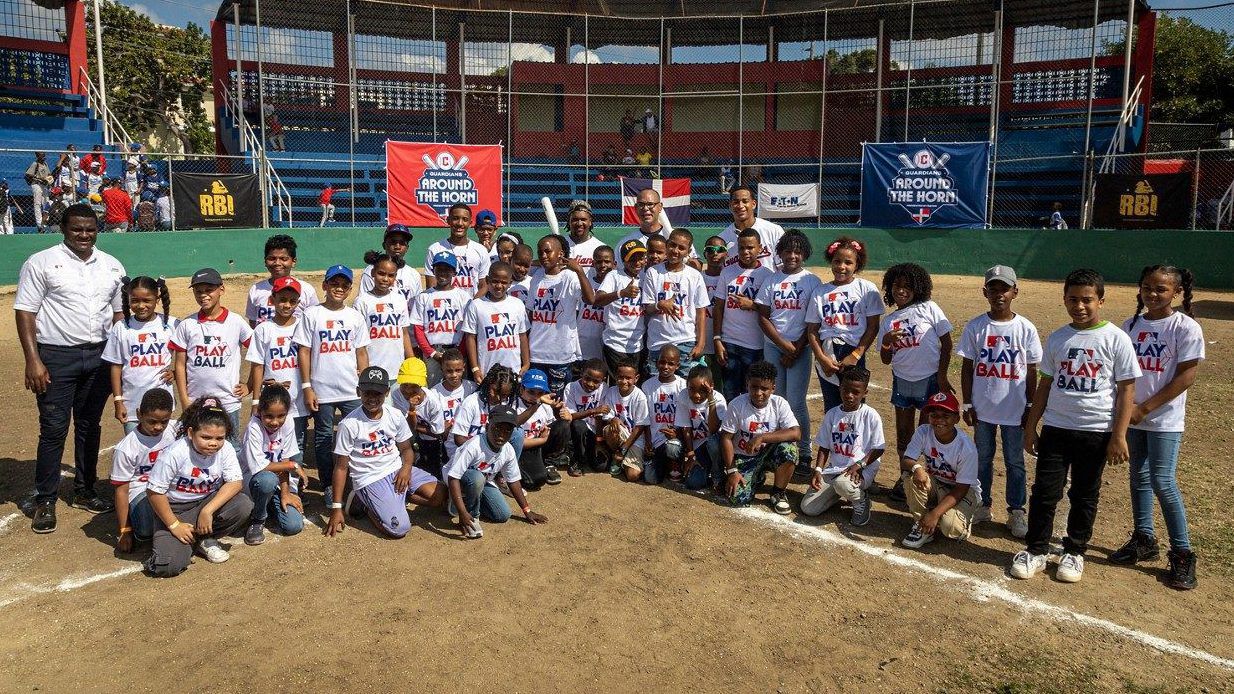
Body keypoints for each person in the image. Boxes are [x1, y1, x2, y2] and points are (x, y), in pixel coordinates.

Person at [1011, 269, 1140, 584]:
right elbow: (1044, 387)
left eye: (1087, 300)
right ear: (1064, 299)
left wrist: (1119, 435)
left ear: (1101, 301)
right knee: (1045, 492)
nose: (1079, 306)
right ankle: (1037, 549)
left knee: (1084, 493)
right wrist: (1031, 427)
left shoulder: (1116, 339)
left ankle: (1074, 551)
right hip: (1056, 428)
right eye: (1073, 299)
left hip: (1096, 432)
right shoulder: (1058, 337)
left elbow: (1126, 390)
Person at [16, 203, 127, 531]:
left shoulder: (111, 266)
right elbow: (25, 311)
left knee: (90, 425)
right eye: (77, 229)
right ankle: (46, 499)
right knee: (53, 427)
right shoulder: (42, 262)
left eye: (90, 229)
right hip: (56, 357)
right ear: (63, 229)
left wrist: (123, 355)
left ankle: (85, 489)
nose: (84, 235)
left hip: (100, 356)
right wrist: (33, 359)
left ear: (97, 230)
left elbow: (120, 315)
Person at [1111, 265, 1203, 590]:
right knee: (1138, 479)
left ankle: (1182, 553)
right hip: (1133, 418)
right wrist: (1125, 413)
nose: (1153, 294)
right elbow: (1122, 375)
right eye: (1147, 287)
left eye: (1161, 289)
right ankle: (1144, 538)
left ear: (1176, 292)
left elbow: (1186, 375)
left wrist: (1145, 408)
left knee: (1163, 482)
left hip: (1163, 420)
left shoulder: (1185, 327)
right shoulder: (1130, 325)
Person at [957, 265, 1041, 538]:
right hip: (983, 409)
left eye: (1004, 288)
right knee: (982, 459)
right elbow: (968, 366)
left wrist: (1030, 406)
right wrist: (967, 403)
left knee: (1015, 461)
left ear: (1015, 291)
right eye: (993, 288)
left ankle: (1017, 510)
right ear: (985, 292)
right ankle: (983, 505)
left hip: (1014, 410)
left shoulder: (1025, 328)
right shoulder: (976, 326)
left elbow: (1031, 370)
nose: (998, 294)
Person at [324, 366, 446, 540]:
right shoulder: (348, 424)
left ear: (387, 392)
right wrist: (336, 507)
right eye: (367, 393)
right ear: (359, 392)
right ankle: (364, 502)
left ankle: (393, 500)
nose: (372, 399)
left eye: (378, 394)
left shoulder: (395, 415)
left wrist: (406, 468)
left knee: (439, 495)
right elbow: (341, 467)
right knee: (399, 528)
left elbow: (406, 449)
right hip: (370, 477)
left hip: (396, 470)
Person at [144, 397, 254, 576]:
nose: (213, 443)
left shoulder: (225, 449)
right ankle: (188, 541)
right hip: (175, 510)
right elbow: (154, 492)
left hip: (204, 502)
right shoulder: (175, 453)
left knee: (243, 505)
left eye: (219, 438)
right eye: (206, 437)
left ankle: (203, 538)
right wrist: (174, 526)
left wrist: (207, 511)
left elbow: (235, 482)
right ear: (190, 433)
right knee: (167, 566)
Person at [295, 264, 370, 507]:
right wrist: (307, 386)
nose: (339, 289)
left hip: (351, 389)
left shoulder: (354, 317)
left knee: (358, 434)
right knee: (324, 438)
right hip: (322, 389)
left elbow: (361, 353)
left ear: (350, 289)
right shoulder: (312, 314)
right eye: (334, 284)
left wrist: (365, 383)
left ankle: (359, 483)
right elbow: (304, 351)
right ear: (325, 286)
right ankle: (329, 484)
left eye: (344, 285)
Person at [877, 262, 953, 501]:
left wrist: (941, 375)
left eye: (907, 286)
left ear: (918, 288)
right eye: (896, 286)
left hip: (928, 378)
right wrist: (887, 340)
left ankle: (930, 478)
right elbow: (885, 359)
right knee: (903, 431)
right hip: (902, 379)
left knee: (926, 430)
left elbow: (947, 343)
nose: (901, 291)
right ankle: (905, 476)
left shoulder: (929, 308)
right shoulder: (889, 321)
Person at [756, 230, 821, 470]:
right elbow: (763, 316)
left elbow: (814, 320)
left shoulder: (811, 281)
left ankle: (804, 452)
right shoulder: (772, 279)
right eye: (787, 251)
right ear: (780, 253)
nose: (792, 256)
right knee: (776, 400)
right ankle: (779, 449)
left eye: (797, 251)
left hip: (801, 349)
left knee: (796, 401)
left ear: (804, 253)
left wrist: (796, 348)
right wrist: (784, 346)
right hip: (774, 347)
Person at [170, 268, 253, 442]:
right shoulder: (187, 324)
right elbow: (179, 364)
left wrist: (250, 385)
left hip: (228, 401)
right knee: (194, 446)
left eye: (209, 290)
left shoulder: (236, 322)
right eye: (198, 291)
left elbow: (258, 352)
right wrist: (185, 400)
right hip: (195, 402)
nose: (203, 295)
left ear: (221, 289)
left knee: (231, 446)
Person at [444, 405, 547, 539]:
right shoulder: (473, 445)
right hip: (456, 478)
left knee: (502, 515)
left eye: (507, 430)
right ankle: (470, 515)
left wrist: (527, 510)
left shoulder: (508, 450)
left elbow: (513, 481)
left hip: (482, 481)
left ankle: (466, 499)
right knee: (476, 478)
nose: (501, 434)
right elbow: (453, 477)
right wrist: (463, 512)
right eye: (497, 428)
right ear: (487, 427)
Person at [806, 236, 883, 413]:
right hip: (827, 352)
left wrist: (856, 354)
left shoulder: (866, 289)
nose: (841, 266)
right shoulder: (820, 292)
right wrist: (821, 358)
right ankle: (833, 439)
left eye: (848, 262)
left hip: (853, 351)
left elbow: (873, 327)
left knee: (855, 404)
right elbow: (812, 330)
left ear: (857, 264)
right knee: (832, 404)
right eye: (837, 261)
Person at [801, 364, 884, 525]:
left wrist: (860, 464)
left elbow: (879, 448)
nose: (849, 395)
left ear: (864, 393)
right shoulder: (832, 414)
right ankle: (839, 493)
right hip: (835, 469)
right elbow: (824, 446)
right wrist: (818, 470)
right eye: (846, 390)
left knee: (842, 483)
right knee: (808, 508)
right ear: (840, 388)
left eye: (856, 392)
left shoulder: (870, 415)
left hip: (861, 468)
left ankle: (861, 500)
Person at [899, 392, 982, 549]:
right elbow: (907, 459)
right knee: (911, 478)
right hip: (937, 484)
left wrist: (935, 514)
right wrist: (917, 468)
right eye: (934, 415)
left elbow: (961, 489)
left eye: (946, 415)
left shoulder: (966, 448)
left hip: (962, 491)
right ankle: (922, 525)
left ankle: (962, 517)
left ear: (957, 418)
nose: (939, 420)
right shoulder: (924, 431)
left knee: (952, 528)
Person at [719, 360, 800, 514]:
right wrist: (732, 471)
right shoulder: (737, 405)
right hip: (744, 457)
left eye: (764, 388)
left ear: (773, 388)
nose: (758, 393)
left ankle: (778, 492)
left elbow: (796, 433)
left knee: (789, 450)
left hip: (768, 453)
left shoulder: (779, 404)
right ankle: (756, 476)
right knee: (738, 499)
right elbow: (726, 438)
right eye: (754, 387)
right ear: (747, 384)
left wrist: (762, 437)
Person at [245, 276, 308, 469]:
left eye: (292, 301)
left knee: (296, 446)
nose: (287, 305)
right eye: (282, 299)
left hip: (297, 399)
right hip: (271, 401)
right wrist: (256, 401)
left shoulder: (304, 325)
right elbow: (257, 365)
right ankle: (274, 491)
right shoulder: (263, 329)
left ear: (298, 302)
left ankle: (296, 492)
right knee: (271, 445)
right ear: (272, 300)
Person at [103, 276, 177, 434]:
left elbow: (189, 352)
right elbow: (116, 366)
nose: (141, 306)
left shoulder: (171, 324)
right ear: (128, 299)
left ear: (157, 299)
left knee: (163, 452)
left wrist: (175, 373)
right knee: (136, 451)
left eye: (147, 300)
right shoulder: (121, 328)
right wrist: (118, 401)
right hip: (132, 405)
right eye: (135, 300)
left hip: (163, 406)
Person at [526, 234, 596, 397]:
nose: (543, 255)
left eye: (547, 251)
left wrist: (579, 270)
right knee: (537, 401)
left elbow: (591, 299)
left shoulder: (570, 277)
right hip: (536, 354)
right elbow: (531, 312)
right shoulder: (536, 277)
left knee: (558, 403)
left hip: (561, 356)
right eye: (540, 252)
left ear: (561, 254)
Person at [110, 389, 177, 553]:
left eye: (164, 421)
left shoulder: (176, 430)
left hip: (171, 486)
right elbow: (121, 491)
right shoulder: (126, 449)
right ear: (139, 415)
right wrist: (125, 531)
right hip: (143, 493)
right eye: (152, 421)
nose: (158, 427)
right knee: (145, 530)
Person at [240, 384, 307, 545]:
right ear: (259, 412)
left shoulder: (288, 422)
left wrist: (286, 493)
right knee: (266, 480)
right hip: (252, 483)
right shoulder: (254, 428)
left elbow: (284, 460)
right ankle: (258, 519)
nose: (275, 422)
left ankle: (269, 503)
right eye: (269, 416)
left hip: (276, 482)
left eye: (280, 416)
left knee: (293, 525)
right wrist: (293, 466)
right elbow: (260, 467)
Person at [713, 229, 774, 402]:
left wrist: (753, 305)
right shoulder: (727, 272)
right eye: (742, 248)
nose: (745, 252)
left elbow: (771, 312)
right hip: (729, 343)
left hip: (755, 345)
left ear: (760, 248)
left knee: (753, 393)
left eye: (750, 247)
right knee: (730, 393)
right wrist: (717, 339)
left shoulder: (767, 275)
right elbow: (718, 307)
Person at [641, 229, 709, 377]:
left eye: (681, 248)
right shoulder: (653, 273)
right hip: (658, 342)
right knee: (658, 387)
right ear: (666, 245)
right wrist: (660, 305)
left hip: (685, 341)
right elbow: (647, 308)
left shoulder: (695, 276)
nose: (675, 251)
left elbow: (701, 311)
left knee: (686, 387)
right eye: (672, 245)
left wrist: (701, 342)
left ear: (688, 251)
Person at [460, 261, 529, 380]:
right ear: (487, 280)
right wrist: (475, 368)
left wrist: (526, 363)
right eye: (495, 281)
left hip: (514, 370)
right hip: (487, 371)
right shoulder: (476, 305)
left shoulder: (517, 304)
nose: (499, 286)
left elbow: (522, 336)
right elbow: (470, 338)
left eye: (503, 282)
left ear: (510, 283)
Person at [409, 251, 470, 386]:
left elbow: (468, 330)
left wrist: (460, 353)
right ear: (433, 270)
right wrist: (431, 353)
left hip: (457, 351)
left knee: (458, 389)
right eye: (439, 269)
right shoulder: (424, 296)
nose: (443, 273)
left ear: (454, 272)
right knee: (434, 389)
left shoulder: (463, 297)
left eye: (447, 269)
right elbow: (418, 329)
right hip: (433, 353)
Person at [353, 251, 413, 379]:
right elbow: (357, 340)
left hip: (398, 370)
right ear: (373, 273)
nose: (386, 279)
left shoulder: (399, 299)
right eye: (381, 273)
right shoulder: (362, 301)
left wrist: (411, 362)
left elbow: (404, 334)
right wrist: (361, 368)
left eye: (391, 275)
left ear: (395, 277)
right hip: (372, 369)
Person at [594, 240, 649, 378]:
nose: (637, 263)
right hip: (615, 343)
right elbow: (598, 300)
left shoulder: (646, 277)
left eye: (640, 258)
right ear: (624, 260)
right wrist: (621, 293)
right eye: (632, 259)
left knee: (633, 384)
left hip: (637, 344)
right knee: (618, 384)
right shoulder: (614, 276)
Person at [389, 356, 447, 479]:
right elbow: (405, 427)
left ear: (421, 384)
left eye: (414, 385)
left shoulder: (433, 402)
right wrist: (412, 410)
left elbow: (438, 433)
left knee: (432, 471)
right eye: (405, 385)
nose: (408, 390)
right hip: (408, 436)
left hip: (431, 440)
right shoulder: (396, 394)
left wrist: (413, 419)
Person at [245, 234, 320, 327]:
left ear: (293, 261)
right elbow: (253, 322)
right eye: (272, 258)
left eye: (283, 259)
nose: (277, 263)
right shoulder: (256, 289)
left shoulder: (307, 290)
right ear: (265, 261)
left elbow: (315, 320)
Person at [673, 365, 727, 491]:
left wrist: (710, 399)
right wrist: (691, 454)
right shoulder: (683, 395)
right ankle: (682, 468)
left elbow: (714, 430)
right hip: (696, 447)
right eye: (692, 389)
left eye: (702, 390)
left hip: (713, 445)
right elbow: (685, 426)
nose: (697, 395)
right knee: (693, 484)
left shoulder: (718, 399)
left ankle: (717, 475)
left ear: (711, 386)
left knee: (713, 443)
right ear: (687, 385)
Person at [515, 369, 570, 489]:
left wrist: (564, 416)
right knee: (535, 481)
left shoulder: (545, 405)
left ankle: (549, 463)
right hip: (522, 450)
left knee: (563, 424)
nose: (535, 397)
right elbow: (516, 443)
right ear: (521, 389)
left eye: (540, 393)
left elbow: (553, 429)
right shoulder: (513, 405)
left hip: (539, 445)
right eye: (531, 392)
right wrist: (542, 440)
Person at [617, 189, 699, 265]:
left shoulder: (678, 239)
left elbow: (696, 265)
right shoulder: (626, 243)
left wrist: (689, 261)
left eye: (650, 204)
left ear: (660, 207)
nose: (645, 208)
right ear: (635, 208)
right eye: (641, 204)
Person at [599, 359, 650, 481]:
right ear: (616, 377)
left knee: (633, 476)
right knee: (612, 428)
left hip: (634, 438)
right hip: (619, 434)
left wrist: (624, 449)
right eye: (621, 377)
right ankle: (615, 456)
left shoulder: (639, 397)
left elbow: (640, 426)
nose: (624, 381)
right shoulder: (611, 392)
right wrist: (613, 419)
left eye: (628, 378)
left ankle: (621, 456)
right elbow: (606, 415)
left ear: (636, 378)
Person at [424, 203, 490, 297]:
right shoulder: (435, 249)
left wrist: (472, 305)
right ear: (448, 220)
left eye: (465, 219)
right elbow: (431, 285)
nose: (460, 223)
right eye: (455, 218)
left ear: (470, 223)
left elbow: (484, 285)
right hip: (444, 308)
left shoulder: (481, 250)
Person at [642, 346, 686, 484]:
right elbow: (645, 418)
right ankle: (663, 463)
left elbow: (687, 418)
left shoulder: (683, 386)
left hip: (675, 440)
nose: (665, 366)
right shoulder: (647, 386)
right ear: (656, 362)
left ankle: (676, 462)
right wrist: (648, 441)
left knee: (672, 447)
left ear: (677, 365)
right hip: (655, 440)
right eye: (662, 362)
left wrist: (677, 433)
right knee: (651, 479)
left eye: (671, 363)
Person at [562, 359, 609, 476]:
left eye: (596, 381)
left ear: (602, 380)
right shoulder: (571, 387)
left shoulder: (604, 388)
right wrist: (593, 410)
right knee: (579, 425)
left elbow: (600, 417)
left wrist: (599, 441)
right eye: (587, 378)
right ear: (582, 373)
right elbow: (570, 416)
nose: (590, 384)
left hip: (594, 431)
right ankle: (577, 459)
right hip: (576, 431)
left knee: (601, 467)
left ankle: (588, 454)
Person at [719, 186, 783, 271]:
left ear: (753, 204)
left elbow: (783, 268)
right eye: (736, 202)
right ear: (730, 206)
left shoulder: (774, 231)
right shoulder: (722, 239)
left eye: (745, 201)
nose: (740, 206)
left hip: (768, 283)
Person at [578, 245, 615, 365]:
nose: (603, 265)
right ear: (593, 264)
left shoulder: (618, 284)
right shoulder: (585, 283)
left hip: (606, 343)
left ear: (614, 264)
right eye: (599, 262)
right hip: (583, 342)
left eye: (607, 261)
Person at [700, 235, 726, 386]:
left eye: (720, 250)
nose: (715, 253)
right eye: (710, 250)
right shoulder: (697, 278)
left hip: (723, 343)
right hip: (702, 344)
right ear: (705, 254)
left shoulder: (729, 277)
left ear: (726, 253)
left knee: (721, 388)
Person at [565, 201, 604, 270]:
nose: (579, 223)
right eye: (575, 219)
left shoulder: (600, 248)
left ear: (590, 222)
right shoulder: (558, 246)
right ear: (569, 221)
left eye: (583, 219)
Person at [24, 151, 52, 233]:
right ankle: (39, 224)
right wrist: (40, 179)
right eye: (42, 156)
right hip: (37, 185)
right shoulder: (35, 164)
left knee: (46, 203)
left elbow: (49, 174)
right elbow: (29, 175)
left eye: (44, 156)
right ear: (38, 157)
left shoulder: (45, 164)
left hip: (44, 185)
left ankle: (45, 222)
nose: (43, 157)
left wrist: (49, 180)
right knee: (37, 203)